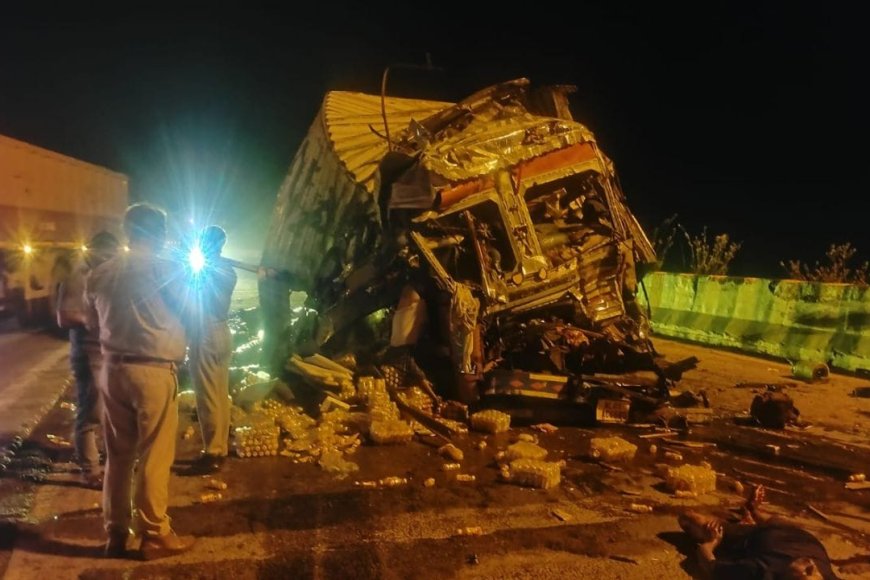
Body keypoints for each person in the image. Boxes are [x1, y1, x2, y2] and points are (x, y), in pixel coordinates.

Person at [84, 203, 195, 560]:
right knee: (154, 455)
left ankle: (115, 534)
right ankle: (154, 534)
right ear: (160, 234)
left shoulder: (100, 274)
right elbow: (195, 311)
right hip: (153, 371)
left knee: (118, 456)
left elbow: (91, 324)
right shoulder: (167, 270)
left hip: (113, 370)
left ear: (127, 231)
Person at [55, 230, 120, 488]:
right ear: (96, 252)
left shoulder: (110, 275)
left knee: (110, 413)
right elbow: (63, 317)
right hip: (89, 353)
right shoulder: (78, 276)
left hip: (109, 352)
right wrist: (93, 319)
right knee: (91, 412)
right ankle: (90, 471)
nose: (111, 258)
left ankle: (107, 462)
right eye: (108, 254)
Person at [679, 485, 839, 579]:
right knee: (780, 522)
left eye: (807, 572)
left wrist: (713, 542)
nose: (812, 564)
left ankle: (747, 521)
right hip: (795, 533)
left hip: (751, 535)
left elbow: (709, 564)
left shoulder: (761, 571)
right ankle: (754, 511)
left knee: (689, 519)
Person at [185, 225, 237, 475]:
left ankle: (213, 452)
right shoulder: (228, 270)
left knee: (207, 395)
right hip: (223, 331)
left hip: (205, 331)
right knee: (220, 393)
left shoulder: (206, 272)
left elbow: (190, 292)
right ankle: (221, 447)